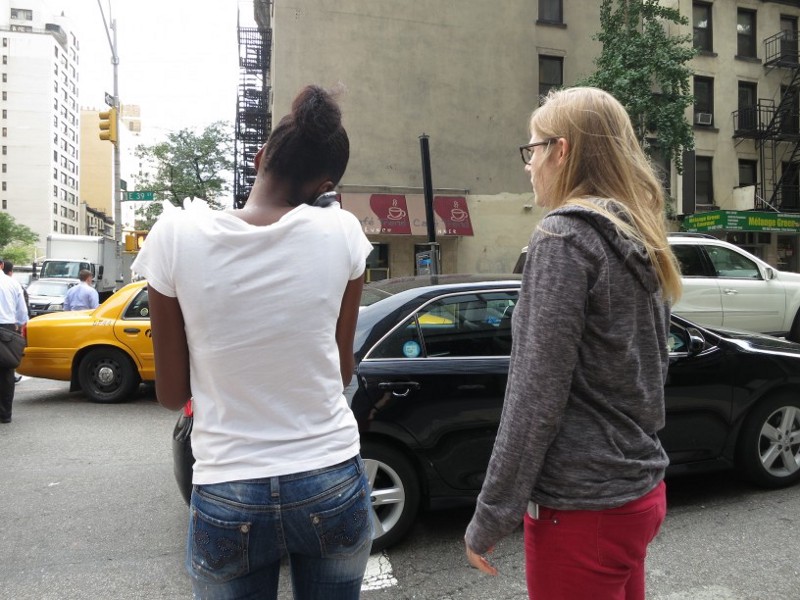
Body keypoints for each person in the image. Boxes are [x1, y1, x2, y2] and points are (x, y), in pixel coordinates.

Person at [132, 84, 375, 600]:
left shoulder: (173, 236)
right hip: (329, 472)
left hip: (227, 484)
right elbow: (341, 371)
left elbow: (172, 394)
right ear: (326, 185)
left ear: (261, 156)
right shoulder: (344, 232)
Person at [464, 87, 683, 600]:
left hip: (583, 512)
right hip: (637, 492)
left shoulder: (564, 238)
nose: (528, 165)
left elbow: (534, 397)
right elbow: (653, 370)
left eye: (533, 149)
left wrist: (491, 514)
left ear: (562, 151)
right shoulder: (636, 235)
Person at [0, 258, 29, 423]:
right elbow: (22, 313)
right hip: (6, 329)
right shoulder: (12, 283)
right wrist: (17, 326)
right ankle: (5, 414)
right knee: (6, 374)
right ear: (2, 265)